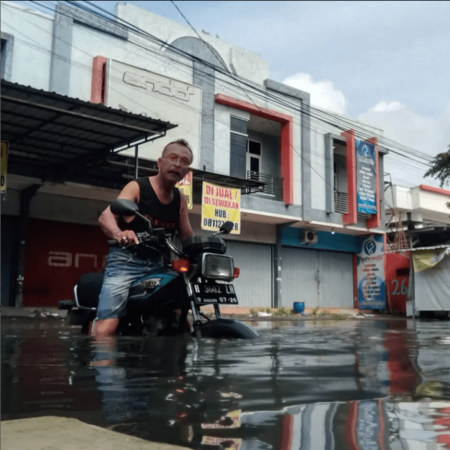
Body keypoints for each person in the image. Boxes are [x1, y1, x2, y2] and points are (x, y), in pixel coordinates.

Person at [95, 139, 194, 337]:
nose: (178, 164)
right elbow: (106, 216)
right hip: (125, 262)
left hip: (158, 265)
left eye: (184, 161)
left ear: (186, 171)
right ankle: (102, 363)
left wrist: (207, 250)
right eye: (173, 158)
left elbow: (187, 236)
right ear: (160, 162)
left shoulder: (180, 198)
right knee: (108, 326)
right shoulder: (137, 187)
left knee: (183, 316)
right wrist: (119, 233)